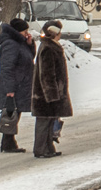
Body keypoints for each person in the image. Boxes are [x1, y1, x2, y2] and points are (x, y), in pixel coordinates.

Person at [31, 21, 72, 158]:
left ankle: (48, 148)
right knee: (44, 122)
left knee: (49, 122)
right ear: (55, 33)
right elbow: (47, 75)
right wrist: (52, 95)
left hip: (50, 94)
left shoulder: (51, 46)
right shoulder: (48, 48)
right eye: (59, 31)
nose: (61, 34)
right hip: (46, 95)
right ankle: (41, 149)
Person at [0, 17, 33, 153]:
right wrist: (10, 89)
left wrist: (30, 44)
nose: (27, 33)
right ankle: (7, 144)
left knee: (14, 114)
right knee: (11, 114)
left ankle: (9, 143)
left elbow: (28, 59)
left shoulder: (19, 43)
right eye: (25, 31)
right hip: (13, 86)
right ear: (18, 31)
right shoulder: (11, 44)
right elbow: (7, 67)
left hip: (19, 85)